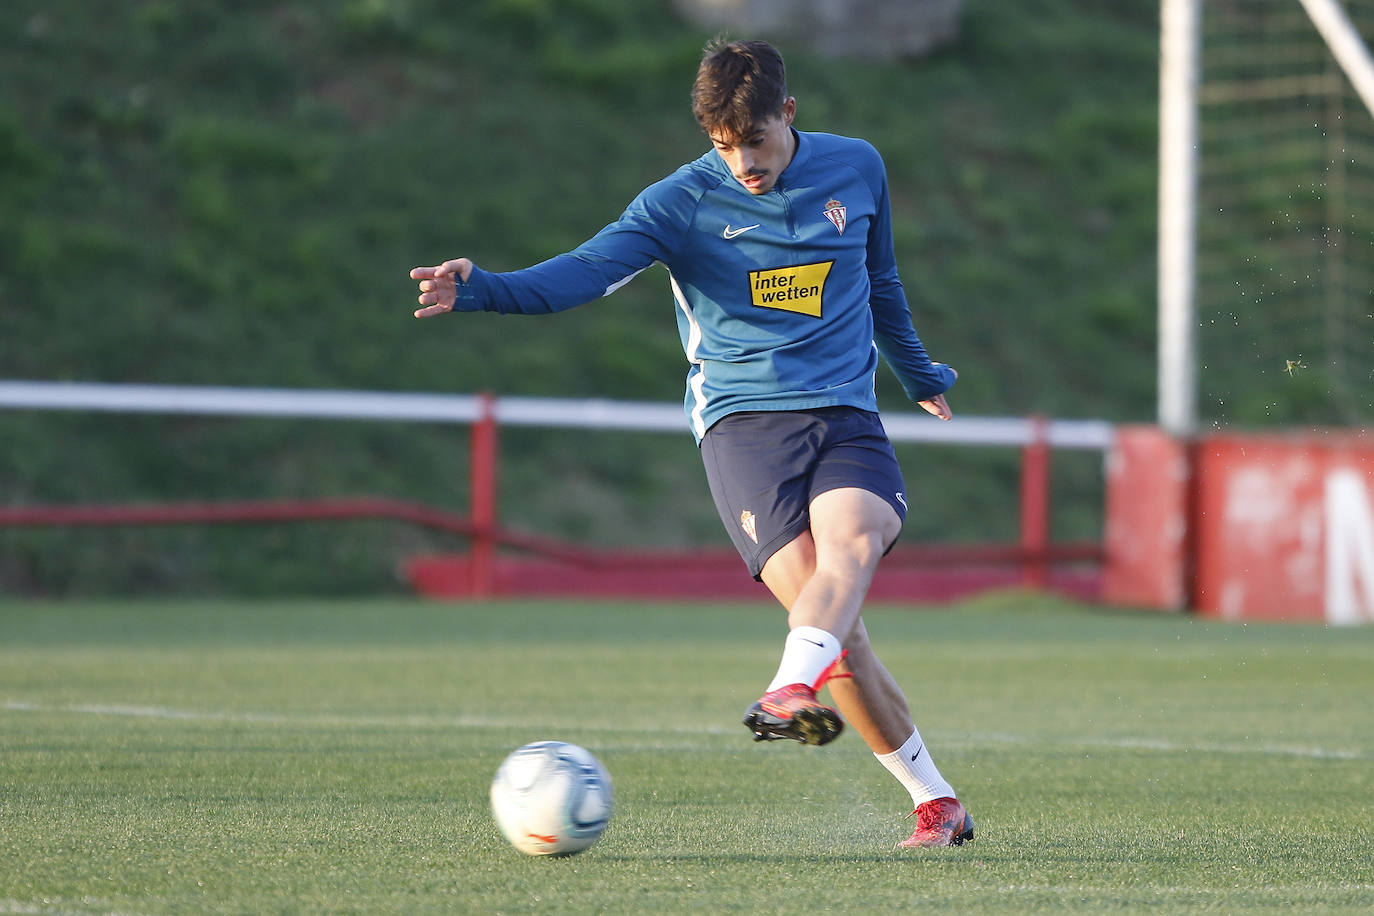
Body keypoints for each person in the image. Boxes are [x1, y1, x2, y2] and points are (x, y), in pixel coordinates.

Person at [410, 39, 973, 849]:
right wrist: (484, 289)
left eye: (757, 140)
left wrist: (918, 372)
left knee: (851, 550)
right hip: (744, 428)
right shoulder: (680, 202)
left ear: (789, 113)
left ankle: (785, 691)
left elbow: (882, 280)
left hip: (847, 415)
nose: (743, 162)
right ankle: (935, 801)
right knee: (837, 631)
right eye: (723, 145)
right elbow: (583, 272)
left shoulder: (857, 167)